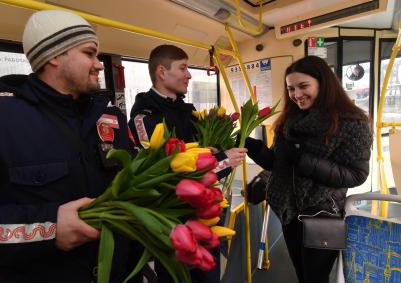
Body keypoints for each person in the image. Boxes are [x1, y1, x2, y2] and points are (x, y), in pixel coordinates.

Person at [0, 10, 139, 283]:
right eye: (90, 53)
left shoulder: (111, 118)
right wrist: (47, 227)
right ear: (53, 55)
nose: (99, 65)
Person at [244, 55, 372, 283]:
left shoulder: (353, 123)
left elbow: (356, 174)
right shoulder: (290, 120)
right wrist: (253, 147)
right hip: (288, 211)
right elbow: (278, 163)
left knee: (316, 277)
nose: (296, 95)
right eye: (291, 88)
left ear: (324, 85)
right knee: (302, 274)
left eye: (303, 86)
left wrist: (305, 161)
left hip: (321, 212)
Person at [128, 44, 247, 282]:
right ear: (162, 72)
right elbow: (165, 173)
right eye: (183, 68)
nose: (189, 74)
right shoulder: (144, 119)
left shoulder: (189, 111)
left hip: (206, 212)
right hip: (174, 219)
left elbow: (203, 152)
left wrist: (217, 152)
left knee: (210, 274)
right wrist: (223, 162)